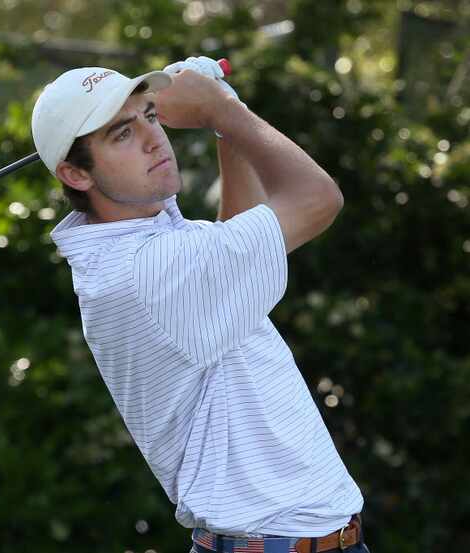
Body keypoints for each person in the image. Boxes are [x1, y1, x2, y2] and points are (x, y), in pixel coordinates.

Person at [30, 56, 369, 553]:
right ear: (75, 174)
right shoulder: (149, 270)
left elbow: (236, 250)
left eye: (148, 115)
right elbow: (318, 198)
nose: (153, 138)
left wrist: (226, 121)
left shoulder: (136, 249)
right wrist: (219, 113)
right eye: (122, 134)